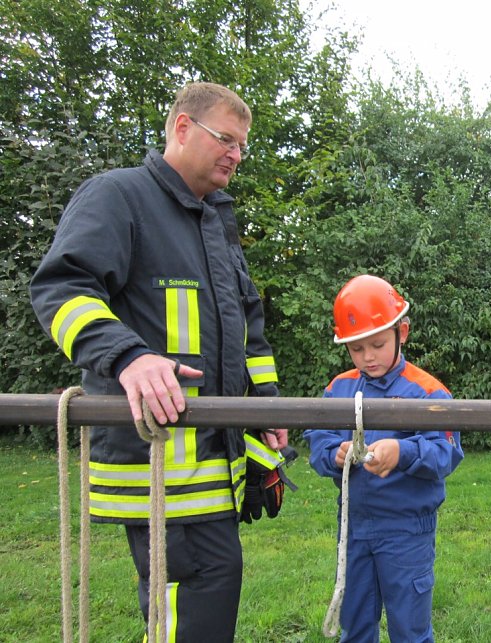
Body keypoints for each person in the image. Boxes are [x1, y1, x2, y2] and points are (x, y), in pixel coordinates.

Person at [30, 82, 288, 641]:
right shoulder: (118, 196)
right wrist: (127, 357)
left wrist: (265, 413)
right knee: (193, 602)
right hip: (159, 464)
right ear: (181, 128)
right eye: (226, 139)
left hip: (215, 467)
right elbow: (61, 287)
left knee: (206, 594)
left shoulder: (216, 221)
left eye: (242, 145)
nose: (236, 155)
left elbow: (249, 333)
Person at [304, 274, 464, 643]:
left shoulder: (427, 391)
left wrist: (403, 453)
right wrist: (334, 454)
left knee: (410, 628)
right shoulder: (338, 388)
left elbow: (446, 452)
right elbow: (319, 439)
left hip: (407, 530)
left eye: (376, 344)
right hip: (354, 528)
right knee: (355, 625)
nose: (368, 357)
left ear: (402, 332)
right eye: (356, 349)